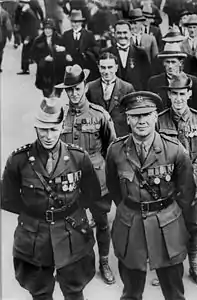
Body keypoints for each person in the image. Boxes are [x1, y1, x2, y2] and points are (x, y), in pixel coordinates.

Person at [1, 97, 101, 300]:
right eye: (43, 129)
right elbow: (7, 199)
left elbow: (92, 193)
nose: (48, 136)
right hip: (34, 235)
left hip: (71, 232)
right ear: (36, 127)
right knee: (39, 292)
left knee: (74, 290)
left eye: (53, 129)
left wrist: (69, 211)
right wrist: (34, 212)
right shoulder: (18, 160)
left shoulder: (78, 157)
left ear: (62, 126)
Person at [106, 91, 196, 300]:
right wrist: (130, 207)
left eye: (146, 114)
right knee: (131, 291)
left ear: (156, 116)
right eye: (136, 116)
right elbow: (113, 186)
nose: (141, 121)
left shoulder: (174, 150)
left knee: (173, 290)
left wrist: (169, 214)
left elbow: (186, 191)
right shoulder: (116, 150)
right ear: (127, 119)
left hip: (166, 224)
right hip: (131, 224)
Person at [55, 64, 117, 285]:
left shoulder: (99, 115)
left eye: (77, 88)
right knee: (69, 225)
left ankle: (104, 262)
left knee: (101, 223)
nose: (74, 93)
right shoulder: (59, 116)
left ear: (84, 86)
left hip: (97, 180)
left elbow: (112, 148)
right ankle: (74, 265)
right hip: (69, 182)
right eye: (69, 89)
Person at [157, 73, 197, 287]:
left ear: (189, 94)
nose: (178, 99)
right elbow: (156, 153)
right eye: (174, 94)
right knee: (167, 226)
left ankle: (195, 266)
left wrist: (189, 176)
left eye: (182, 94)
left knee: (193, 226)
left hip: (194, 186)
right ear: (169, 95)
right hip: (166, 186)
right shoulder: (160, 120)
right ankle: (169, 268)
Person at [86, 52, 135, 137]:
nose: (106, 71)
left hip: (120, 135)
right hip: (97, 136)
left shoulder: (127, 88)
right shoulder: (91, 87)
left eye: (110, 67)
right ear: (98, 68)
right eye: (103, 68)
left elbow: (133, 114)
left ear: (116, 68)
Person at [147, 42, 197, 112]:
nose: (170, 66)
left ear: (180, 63)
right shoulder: (154, 82)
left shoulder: (191, 81)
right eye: (167, 62)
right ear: (163, 63)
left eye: (173, 62)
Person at [102, 19, 151, 91]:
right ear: (114, 34)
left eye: (125, 33)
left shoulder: (141, 53)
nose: (122, 36)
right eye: (119, 33)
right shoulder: (106, 53)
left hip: (135, 95)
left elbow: (147, 78)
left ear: (130, 33)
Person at [31, 18, 67, 97]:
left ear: (53, 29)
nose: (47, 31)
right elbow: (33, 55)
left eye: (49, 29)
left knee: (57, 94)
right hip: (44, 72)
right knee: (47, 94)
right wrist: (43, 58)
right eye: (46, 29)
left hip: (57, 71)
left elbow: (66, 55)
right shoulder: (38, 40)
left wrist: (61, 51)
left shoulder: (60, 39)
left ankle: (56, 107)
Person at [62, 10, 100, 81]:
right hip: (71, 64)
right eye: (73, 22)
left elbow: (95, 47)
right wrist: (66, 55)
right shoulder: (66, 34)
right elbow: (62, 47)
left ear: (81, 22)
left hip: (85, 64)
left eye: (77, 22)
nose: (74, 24)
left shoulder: (88, 34)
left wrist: (87, 53)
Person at [15, 0, 41, 75]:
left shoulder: (28, 12)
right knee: (28, 52)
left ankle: (26, 69)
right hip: (28, 35)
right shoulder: (24, 10)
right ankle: (25, 68)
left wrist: (28, 37)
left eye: (20, 2)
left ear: (24, 3)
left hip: (29, 35)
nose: (19, 3)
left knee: (27, 52)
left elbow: (32, 25)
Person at [0, 3, 12, 73]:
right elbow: (9, 27)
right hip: (1, 36)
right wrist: (9, 36)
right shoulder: (4, 13)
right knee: (0, 51)